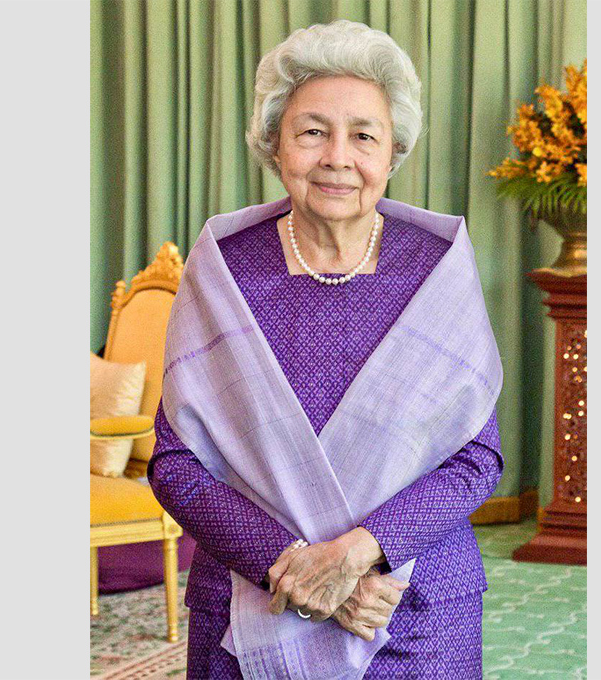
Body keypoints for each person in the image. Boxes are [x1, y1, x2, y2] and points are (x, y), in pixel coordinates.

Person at [148, 19, 504, 679]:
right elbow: (177, 464)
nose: (338, 156)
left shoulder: (438, 268)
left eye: (363, 135)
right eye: (312, 131)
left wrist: (356, 557)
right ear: (274, 143)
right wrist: (293, 569)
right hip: (250, 601)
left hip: (410, 606)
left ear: (393, 151)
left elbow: (475, 459)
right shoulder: (223, 270)